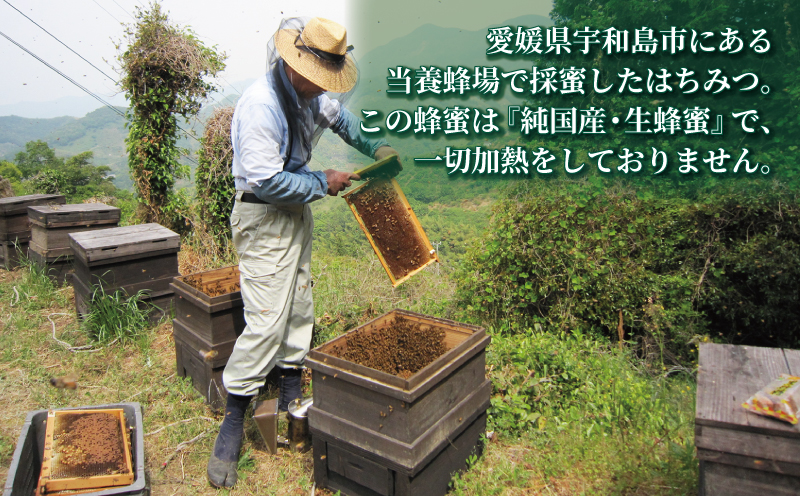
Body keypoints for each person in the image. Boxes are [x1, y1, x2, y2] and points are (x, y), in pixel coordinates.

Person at [206, 17, 399, 488]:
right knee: (267, 317)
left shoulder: (310, 94)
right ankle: (233, 423)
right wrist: (321, 180)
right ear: (295, 67)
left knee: (298, 304)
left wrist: (377, 147)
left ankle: (292, 393)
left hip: (294, 214)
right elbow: (266, 180)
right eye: (320, 80)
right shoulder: (261, 107)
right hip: (262, 214)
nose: (324, 90)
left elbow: (341, 120)